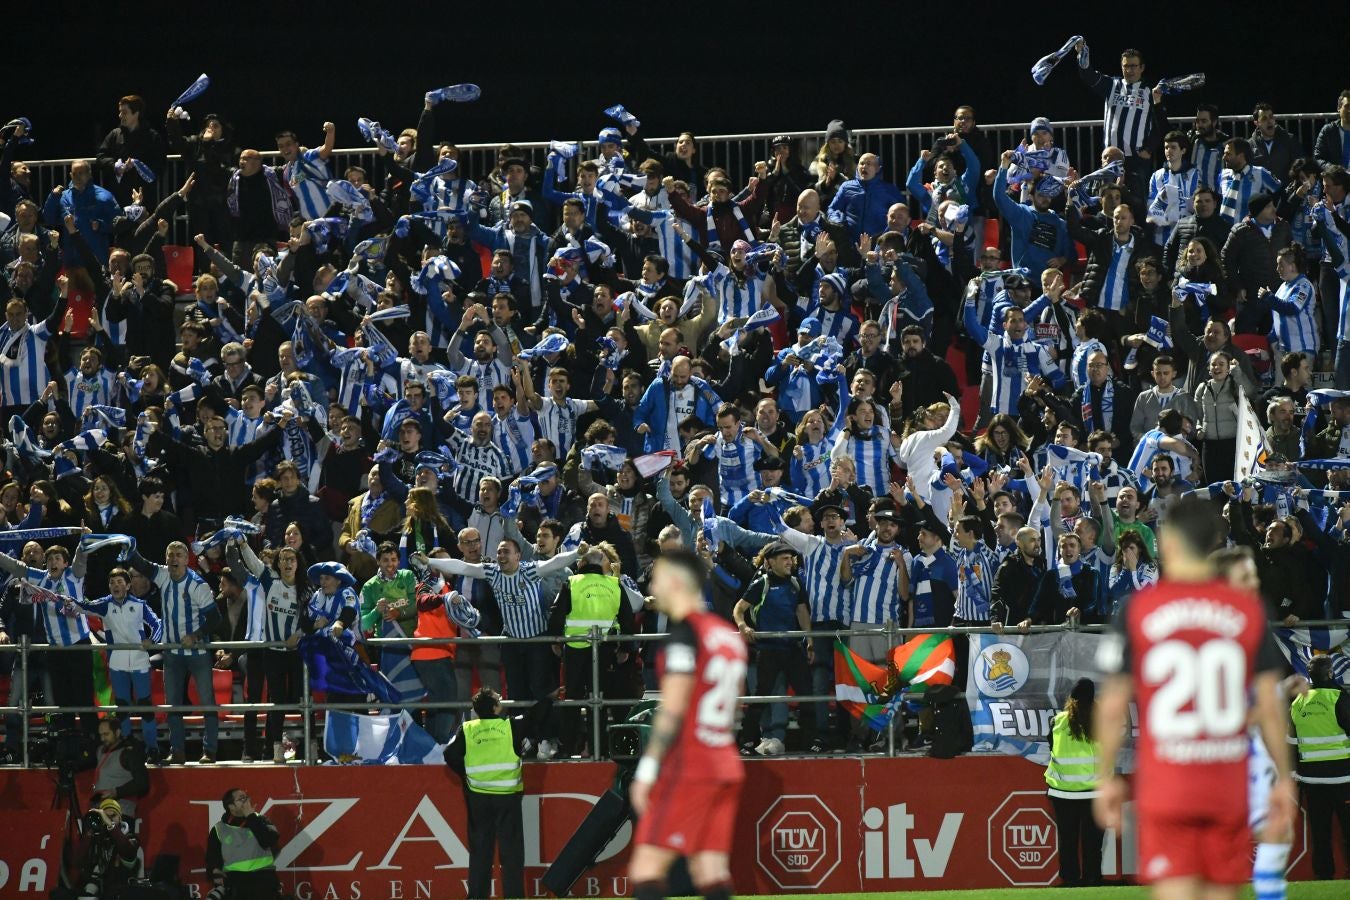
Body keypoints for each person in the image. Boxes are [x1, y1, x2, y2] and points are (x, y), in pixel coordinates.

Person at [1092, 496, 1295, 899]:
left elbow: (1113, 702)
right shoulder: (1247, 610)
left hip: (1168, 783)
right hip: (1226, 782)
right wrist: (1283, 779)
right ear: (1216, 542)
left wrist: (1105, 777)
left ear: (1167, 543)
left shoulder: (1137, 610)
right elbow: (1270, 703)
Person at [629, 548, 747, 900]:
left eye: (658, 577)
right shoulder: (727, 635)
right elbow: (735, 708)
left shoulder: (685, 635)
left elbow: (675, 706)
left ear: (677, 582)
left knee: (646, 868)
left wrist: (648, 769)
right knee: (709, 869)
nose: (653, 585)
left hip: (692, 765)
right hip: (725, 762)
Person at [443, 687, 554, 900]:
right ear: (496, 707)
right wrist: (548, 698)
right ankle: (513, 896)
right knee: (511, 852)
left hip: (478, 796)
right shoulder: (509, 725)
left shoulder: (467, 729)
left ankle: (476, 896)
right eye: (499, 700)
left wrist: (465, 774)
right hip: (507, 796)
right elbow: (533, 715)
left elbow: (449, 754)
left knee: (479, 852)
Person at [1288, 655, 1350, 880]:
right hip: (1343, 779)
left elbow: (1292, 743)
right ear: (1331, 673)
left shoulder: (1297, 701)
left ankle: (1324, 880)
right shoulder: (1339, 697)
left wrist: (1295, 773)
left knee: (1320, 835)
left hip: (1312, 783)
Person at [1045, 678, 1104, 888]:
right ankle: (1092, 878)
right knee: (1093, 842)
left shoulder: (1057, 721)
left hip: (1063, 793)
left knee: (1067, 840)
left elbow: (1051, 746)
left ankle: (1069, 880)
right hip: (1095, 793)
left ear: (1072, 697)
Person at [54, 797, 141, 900]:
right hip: (91, 890)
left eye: (112, 816)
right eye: (105, 817)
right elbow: (77, 861)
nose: (108, 819)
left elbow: (128, 852)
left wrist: (111, 826)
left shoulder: (129, 837)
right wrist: (89, 834)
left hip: (118, 892)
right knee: (57, 894)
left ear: (120, 818)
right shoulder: (96, 838)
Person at [206, 787, 282, 899]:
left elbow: (268, 840)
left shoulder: (262, 820)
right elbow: (213, 859)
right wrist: (218, 882)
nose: (246, 801)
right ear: (231, 806)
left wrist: (250, 816)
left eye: (246, 797)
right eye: (241, 799)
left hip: (264, 881)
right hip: (236, 884)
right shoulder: (219, 829)